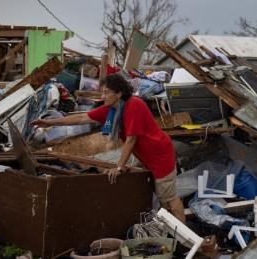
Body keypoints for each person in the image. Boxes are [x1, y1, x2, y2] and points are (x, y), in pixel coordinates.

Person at [30, 74, 186, 223]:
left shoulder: (134, 105)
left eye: (106, 92)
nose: (102, 96)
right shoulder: (112, 109)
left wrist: (119, 167)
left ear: (118, 93)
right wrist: (50, 123)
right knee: (162, 199)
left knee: (170, 200)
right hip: (147, 156)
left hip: (159, 155)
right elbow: (82, 117)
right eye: (102, 92)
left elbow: (131, 139)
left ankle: (186, 240)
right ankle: (175, 233)